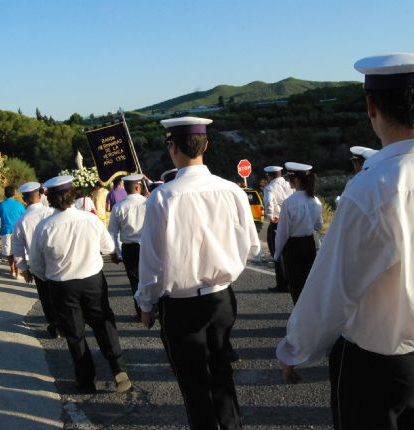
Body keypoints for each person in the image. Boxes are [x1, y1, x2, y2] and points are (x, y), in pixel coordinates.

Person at [276, 53, 414, 429]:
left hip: (380, 366)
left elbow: (333, 288)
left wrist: (294, 349)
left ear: (371, 106)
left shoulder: (372, 187)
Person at [136, 116, 260, 429]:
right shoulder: (231, 190)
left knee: (193, 384)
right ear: (206, 145)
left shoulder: (163, 197)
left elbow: (151, 263)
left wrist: (146, 304)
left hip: (181, 303)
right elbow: (252, 247)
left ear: (173, 147)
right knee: (221, 373)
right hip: (221, 297)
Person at [29, 175, 132, 394]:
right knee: (103, 322)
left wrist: (50, 277)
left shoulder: (44, 227)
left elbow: (35, 264)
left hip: (62, 285)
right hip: (92, 280)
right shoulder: (90, 219)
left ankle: (86, 380)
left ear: (50, 198)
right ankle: (118, 368)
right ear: (73, 194)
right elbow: (108, 247)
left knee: (75, 334)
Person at [11, 182, 60, 338]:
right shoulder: (53, 212)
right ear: (40, 195)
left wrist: (24, 269)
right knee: (62, 292)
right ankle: (67, 322)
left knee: (45, 296)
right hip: (57, 259)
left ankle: (54, 325)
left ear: (24, 199)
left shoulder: (21, 221)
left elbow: (17, 249)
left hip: (37, 264)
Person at [273, 162, 323, 304]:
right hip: (309, 243)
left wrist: (277, 254)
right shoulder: (315, 200)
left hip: (294, 246)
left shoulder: (289, 203)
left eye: (289, 179)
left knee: (296, 284)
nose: (289, 182)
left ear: (295, 180)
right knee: (309, 283)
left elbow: (283, 232)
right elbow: (319, 226)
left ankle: (299, 319)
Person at [107, 173, 147, 320]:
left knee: (135, 281)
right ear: (138, 187)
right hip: (148, 246)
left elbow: (113, 233)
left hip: (130, 248)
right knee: (153, 277)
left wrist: (116, 253)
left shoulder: (118, 207)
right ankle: (154, 309)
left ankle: (141, 311)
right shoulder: (148, 202)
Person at [263, 165, 293, 293]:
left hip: (278, 222)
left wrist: (270, 217)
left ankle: (281, 284)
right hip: (292, 223)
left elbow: (269, 203)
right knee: (289, 253)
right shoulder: (289, 185)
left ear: (269, 175)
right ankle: (292, 282)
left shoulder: (270, 188)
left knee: (277, 253)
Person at [0, 185, 26, 279]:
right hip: (17, 231)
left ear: (5, 194)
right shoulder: (19, 205)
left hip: (5, 231)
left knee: (9, 253)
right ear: (14, 194)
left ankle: (12, 271)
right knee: (17, 251)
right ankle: (17, 273)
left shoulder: (1, 205)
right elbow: (24, 218)